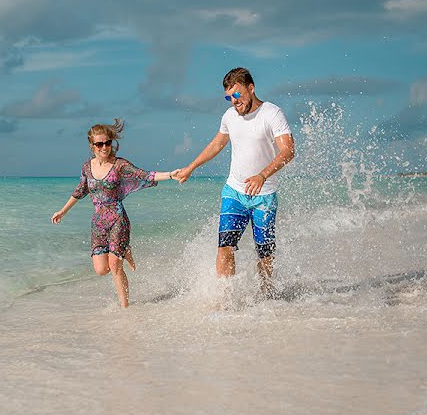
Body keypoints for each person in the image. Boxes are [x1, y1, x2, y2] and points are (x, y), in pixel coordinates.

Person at [174, 67, 295, 295]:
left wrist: (262, 175)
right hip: (234, 193)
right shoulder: (230, 116)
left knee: (265, 253)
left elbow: (288, 151)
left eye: (237, 95)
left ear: (251, 88)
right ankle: (224, 298)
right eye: (228, 97)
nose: (233, 101)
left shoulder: (272, 113)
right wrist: (191, 167)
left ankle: (266, 293)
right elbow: (217, 144)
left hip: (264, 197)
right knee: (225, 247)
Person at [51, 119, 177, 308]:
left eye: (107, 143)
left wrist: (170, 175)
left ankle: (125, 307)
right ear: (92, 145)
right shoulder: (87, 167)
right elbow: (80, 190)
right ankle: (124, 249)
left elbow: (144, 175)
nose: (104, 147)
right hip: (99, 223)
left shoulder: (119, 165)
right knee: (101, 270)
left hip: (118, 219)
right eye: (99, 144)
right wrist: (63, 211)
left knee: (116, 266)